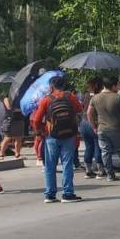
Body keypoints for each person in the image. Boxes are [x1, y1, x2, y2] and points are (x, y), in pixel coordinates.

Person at [31, 75, 83, 203]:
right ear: (63, 85)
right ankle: (68, 194)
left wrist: (40, 132)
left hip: (51, 136)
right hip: (69, 135)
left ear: (51, 86)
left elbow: (36, 119)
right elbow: (79, 110)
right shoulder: (71, 97)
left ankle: (50, 194)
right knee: (67, 164)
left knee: (50, 165)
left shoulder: (46, 100)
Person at [87, 77, 120, 180]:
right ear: (113, 86)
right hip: (118, 129)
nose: (118, 87)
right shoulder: (119, 98)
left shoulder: (95, 98)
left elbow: (89, 113)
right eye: (117, 85)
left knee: (105, 152)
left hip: (102, 129)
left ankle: (110, 175)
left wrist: (93, 126)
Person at [79, 77, 104, 179]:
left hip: (83, 123)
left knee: (89, 147)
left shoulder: (85, 95)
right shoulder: (99, 96)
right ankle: (100, 171)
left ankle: (88, 171)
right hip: (94, 122)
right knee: (98, 146)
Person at [0, 95, 25, 160]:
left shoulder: (20, 99)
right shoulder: (6, 98)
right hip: (10, 119)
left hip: (19, 119)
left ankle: (17, 153)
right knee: (8, 137)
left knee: (18, 137)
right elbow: (9, 107)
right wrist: (18, 108)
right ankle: (2, 153)